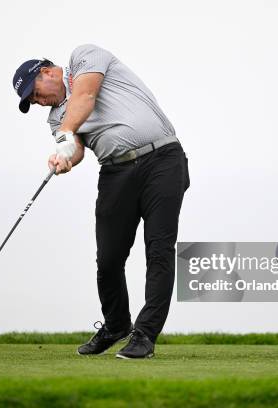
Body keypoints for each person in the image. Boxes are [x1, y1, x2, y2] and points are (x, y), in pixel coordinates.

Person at [12, 44, 189, 359]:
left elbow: (86, 96)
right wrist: (65, 159)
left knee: (159, 250)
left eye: (34, 93)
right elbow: (76, 148)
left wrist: (67, 132)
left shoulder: (85, 57)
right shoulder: (56, 119)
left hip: (162, 160)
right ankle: (116, 324)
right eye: (31, 101)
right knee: (108, 259)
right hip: (115, 173)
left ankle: (145, 335)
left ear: (48, 72)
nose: (37, 102)